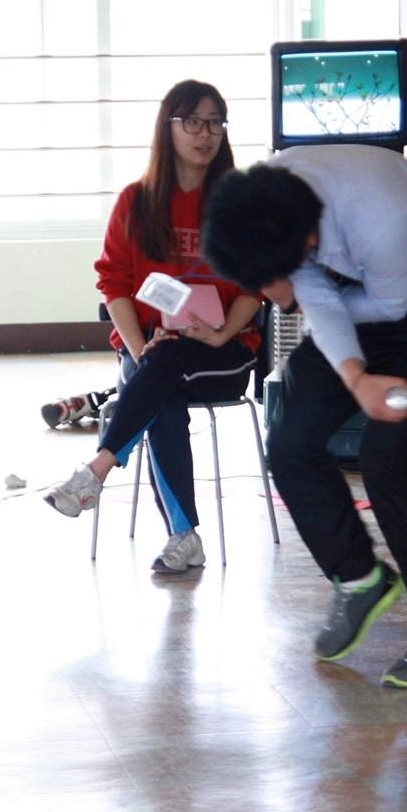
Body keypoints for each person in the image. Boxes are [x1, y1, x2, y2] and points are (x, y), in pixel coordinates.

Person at [202, 145, 407, 688]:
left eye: (271, 278)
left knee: (392, 465)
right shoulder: (267, 199)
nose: (267, 294)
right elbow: (317, 297)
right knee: (290, 443)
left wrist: (312, 311)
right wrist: (353, 373)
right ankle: (359, 578)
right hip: (356, 297)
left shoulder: (384, 214)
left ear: (306, 240)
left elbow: (388, 305)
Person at [42, 80, 263, 574]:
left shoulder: (239, 204)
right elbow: (114, 283)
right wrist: (140, 347)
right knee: (162, 390)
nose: (205, 133)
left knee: (160, 378)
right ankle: (184, 539)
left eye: (215, 122)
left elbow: (257, 285)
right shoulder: (137, 201)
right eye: (193, 122)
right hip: (150, 348)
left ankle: (96, 473)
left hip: (223, 351)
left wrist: (221, 333)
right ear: (169, 128)